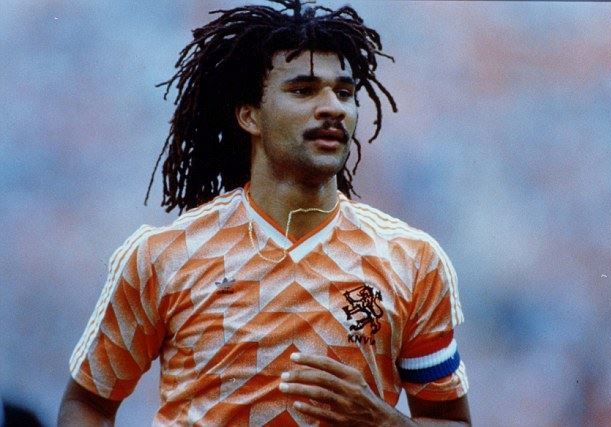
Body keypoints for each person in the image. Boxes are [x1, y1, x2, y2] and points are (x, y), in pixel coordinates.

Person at [58, 0, 471, 425]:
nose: (333, 107)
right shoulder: (164, 256)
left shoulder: (412, 260)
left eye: (344, 93)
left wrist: (384, 421)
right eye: (303, 90)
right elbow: (88, 403)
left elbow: (451, 420)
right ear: (250, 116)